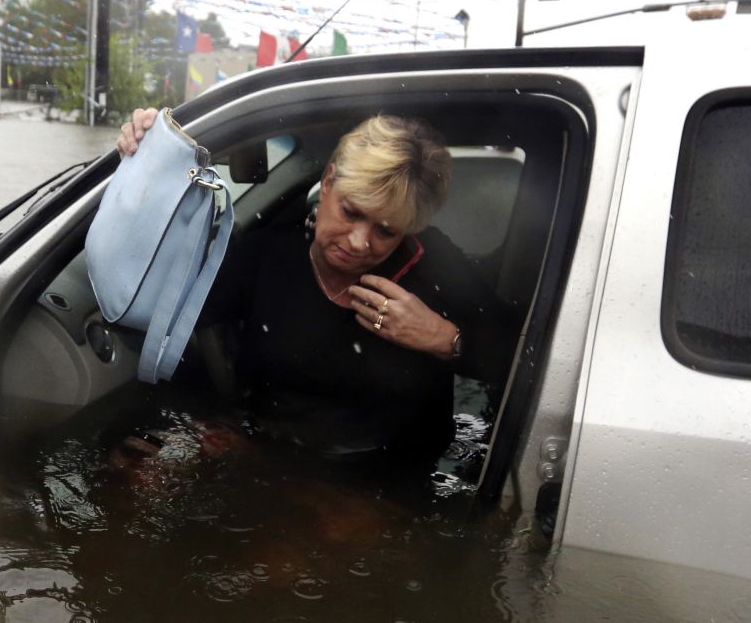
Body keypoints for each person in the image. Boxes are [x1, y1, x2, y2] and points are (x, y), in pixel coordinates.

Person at [115, 108, 515, 466]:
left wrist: (443, 337)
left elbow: (518, 360)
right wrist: (146, 173)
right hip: (267, 453)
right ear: (327, 182)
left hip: (387, 481)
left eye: (387, 230)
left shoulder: (432, 264)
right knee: (131, 467)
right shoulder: (268, 253)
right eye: (351, 211)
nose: (360, 242)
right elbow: (170, 319)